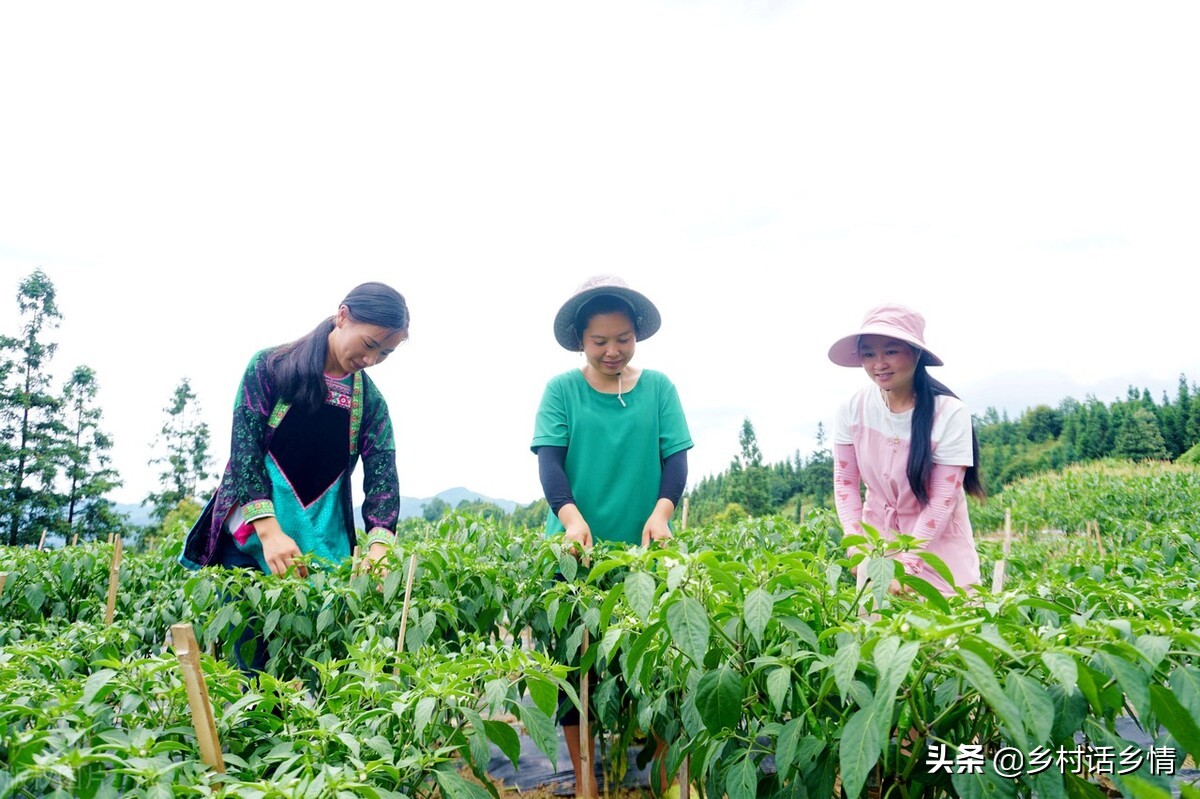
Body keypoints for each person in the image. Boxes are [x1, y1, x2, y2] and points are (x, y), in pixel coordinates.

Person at [181, 281, 409, 670]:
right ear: (342, 316)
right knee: (252, 672)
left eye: (385, 353)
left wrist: (379, 546)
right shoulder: (271, 368)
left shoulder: (368, 401)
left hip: (319, 549)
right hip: (250, 545)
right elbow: (244, 452)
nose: (372, 359)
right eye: (370, 344)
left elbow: (383, 477)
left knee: (316, 670)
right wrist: (269, 531)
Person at [531, 274, 693, 798]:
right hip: (577, 554)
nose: (612, 350)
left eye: (623, 339)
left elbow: (675, 459)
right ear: (581, 339)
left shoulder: (659, 388)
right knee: (577, 674)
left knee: (657, 664)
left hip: (646, 550)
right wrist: (571, 519)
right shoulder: (563, 390)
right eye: (600, 341)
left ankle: (669, 780)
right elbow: (551, 464)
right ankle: (585, 785)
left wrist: (663, 512)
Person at [828, 303, 985, 596]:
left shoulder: (949, 413)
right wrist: (856, 543)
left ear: (916, 353)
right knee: (879, 633)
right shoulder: (853, 409)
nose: (879, 363)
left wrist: (908, 565)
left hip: (937, 547)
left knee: (949, 632)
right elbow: (845, 483)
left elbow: (941, 500)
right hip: (879, 543)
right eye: (869, 353)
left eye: (890, 351)